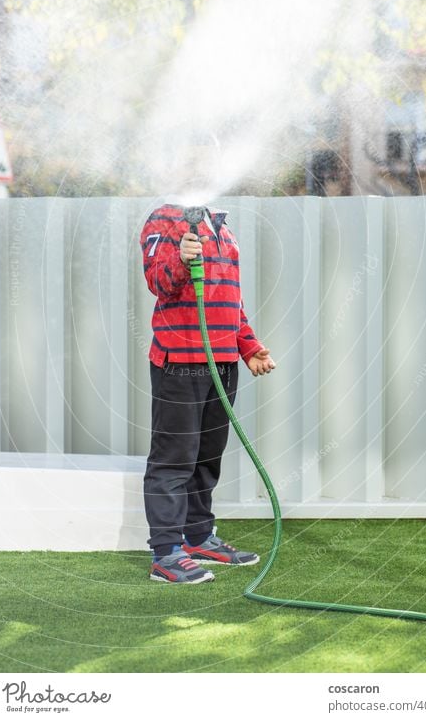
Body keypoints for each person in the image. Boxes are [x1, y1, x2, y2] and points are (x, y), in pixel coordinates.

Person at [140, 200, 276, 584]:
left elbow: (233, 302)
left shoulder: (222, 227)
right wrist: (181, 258)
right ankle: (165, 553)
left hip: (222, 364)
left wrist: (247, 346)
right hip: (179, 362)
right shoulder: (163, 220)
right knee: (173, 460)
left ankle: (198, 537)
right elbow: (158, 282)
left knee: (206, 459)